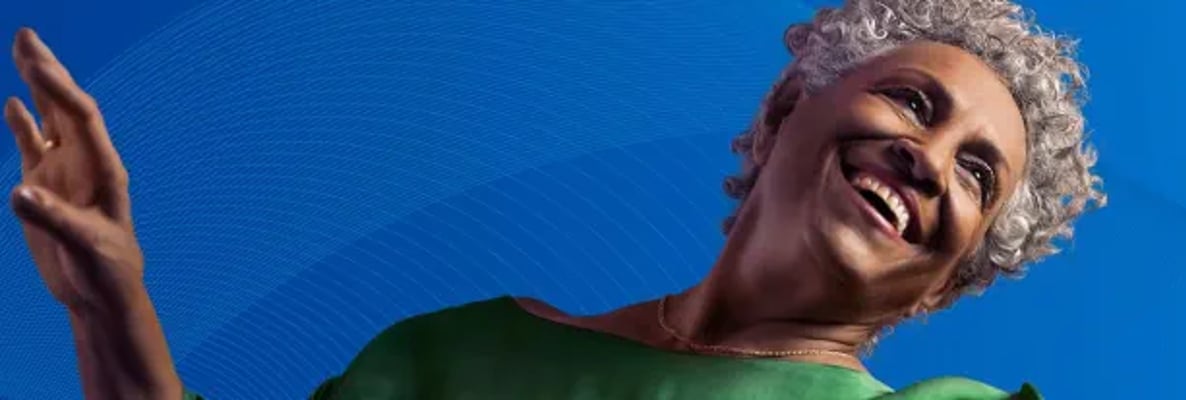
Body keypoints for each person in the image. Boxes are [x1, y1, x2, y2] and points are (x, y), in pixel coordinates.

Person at [5, 0, 1102, 398]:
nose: (929, 160)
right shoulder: (446, 357)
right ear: (784, 108)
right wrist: (110, 300)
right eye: (913, 104)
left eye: (976, 174)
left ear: (945, 286)